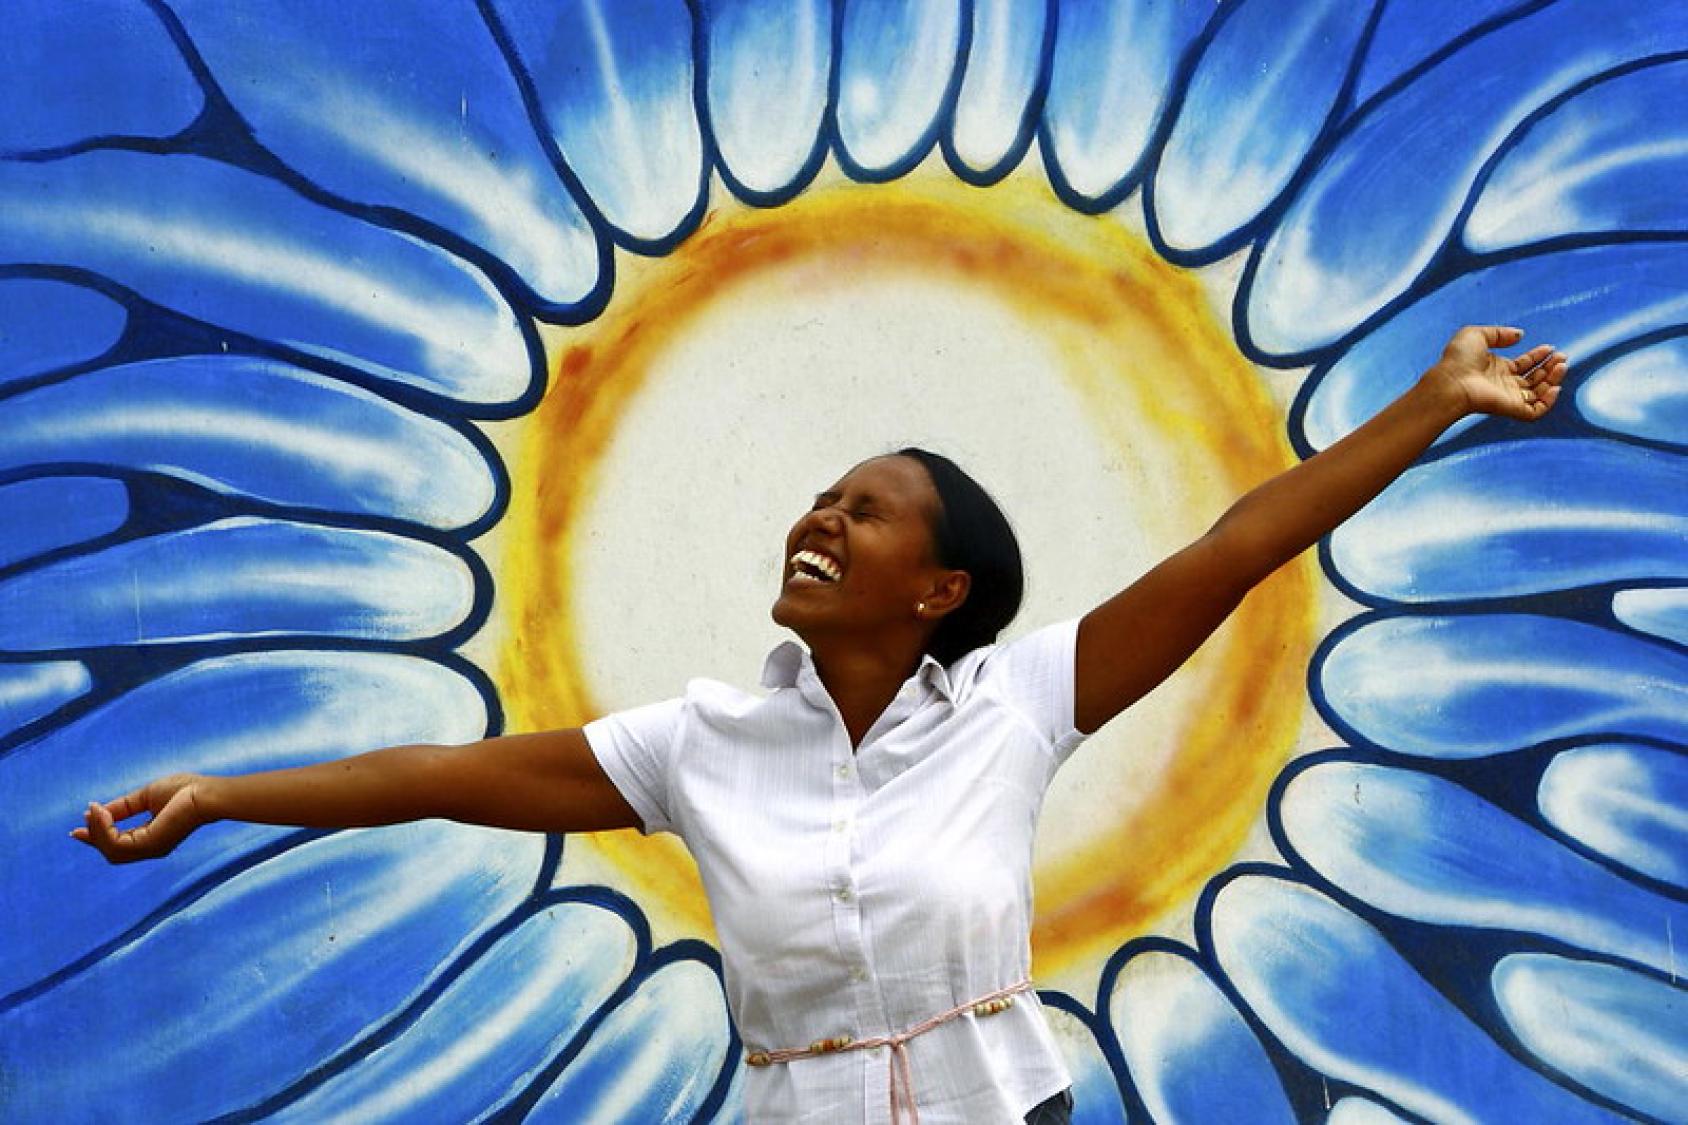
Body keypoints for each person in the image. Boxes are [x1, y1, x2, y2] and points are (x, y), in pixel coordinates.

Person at [75, 327, 1566, 1123]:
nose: (822, 517)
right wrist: (223, 793)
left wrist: (1433, 399)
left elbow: (1235, 548)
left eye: (867, 509)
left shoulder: (1015, 706)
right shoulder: (701, 742)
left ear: (940, 587)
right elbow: (440, 777)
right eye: (820, 498)